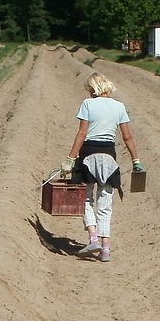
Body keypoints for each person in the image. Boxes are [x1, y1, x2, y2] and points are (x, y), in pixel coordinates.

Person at [63, 72, 141, 263]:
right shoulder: (119, 106)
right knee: (105, 204)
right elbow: (127, 136)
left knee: (85, 198)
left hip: (88, 155)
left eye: (90, 89)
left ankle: (92, 238)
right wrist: (136, 160)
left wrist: (70, 158)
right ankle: (105, 250)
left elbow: (82, 133)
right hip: (109, 157)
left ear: (93, 88)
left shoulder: (88, 104)